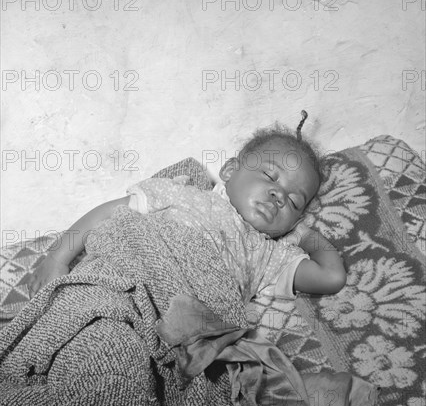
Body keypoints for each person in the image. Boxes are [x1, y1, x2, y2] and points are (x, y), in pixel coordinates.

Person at [28, 112, 346, 305]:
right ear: (230, 171)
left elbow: (331, 277)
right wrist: (57, 257)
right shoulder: (183, 194)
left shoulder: (266, 256)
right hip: (123, 284)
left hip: (177, 329)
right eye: (269, 176)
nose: (278, 195)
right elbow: (109, 214)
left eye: (293, 201)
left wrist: (303, 234)